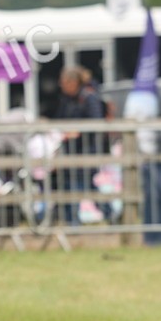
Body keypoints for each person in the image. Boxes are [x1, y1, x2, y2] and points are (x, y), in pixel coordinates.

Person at [52, 66, 106, 224]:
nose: (62, 86)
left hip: (87, 151)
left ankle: (74, 224)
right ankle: (109, 215)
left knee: (78, 185)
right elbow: (60, 120)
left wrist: (79, 131)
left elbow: (97, 123)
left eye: (64, 83)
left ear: (74, 82)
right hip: (71, 151)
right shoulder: (66, 100)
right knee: (80, 186)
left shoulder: (89, 97)